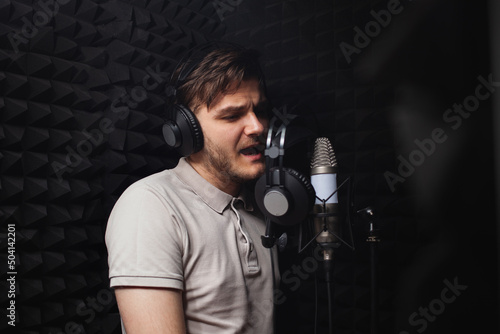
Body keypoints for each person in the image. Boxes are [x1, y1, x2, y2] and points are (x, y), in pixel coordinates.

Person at [105, 42, 279, 334]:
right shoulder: (149, 208)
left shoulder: (260, 209)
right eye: (233, 115)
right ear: (186, 130)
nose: (258, 127)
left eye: (259, 111)